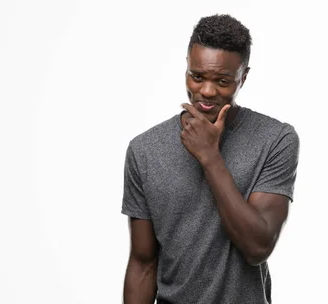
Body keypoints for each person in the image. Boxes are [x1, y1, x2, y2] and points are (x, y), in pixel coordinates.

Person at [121, 14, 300, 304]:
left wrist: (209, 157)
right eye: (197, 76)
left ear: (244, 76)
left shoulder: (275, 140)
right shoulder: (144, 150)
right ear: (187, 68)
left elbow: (257, 247)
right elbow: (143, 263)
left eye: (223, 81)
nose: (206, 91)